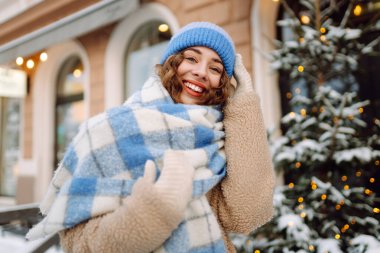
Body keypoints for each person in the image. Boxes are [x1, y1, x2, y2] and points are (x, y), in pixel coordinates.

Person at [27, 22, 275, 253]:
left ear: (223, 83)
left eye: (215, 68)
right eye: (191, 58)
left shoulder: (217, 140)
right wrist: (154, 212)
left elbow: (247, 215)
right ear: (172, 62)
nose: (201, 72)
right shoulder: (111, 130)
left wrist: (244, 104)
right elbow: (77, 244)